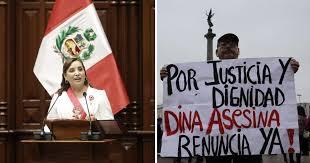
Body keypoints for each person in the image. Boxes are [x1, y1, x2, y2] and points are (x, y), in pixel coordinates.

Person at [160, 33, 300, 163]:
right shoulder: (202, 77)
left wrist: (287, 69)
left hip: (249, 143)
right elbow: (186, 98)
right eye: (223, 44)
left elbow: (272, 89)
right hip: (216, 144)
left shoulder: (254, 75)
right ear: (216, 52)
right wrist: (169, 79)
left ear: (238, 51)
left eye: (232, 45)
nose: (227, 47)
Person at [47, 58, 114, 120]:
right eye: (72, 70)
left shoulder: (99, 95)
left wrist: (96, 123)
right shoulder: (58, 98)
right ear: (65, 77)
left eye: (80, 69)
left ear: (85, 74)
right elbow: (49, 127)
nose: (77, 73)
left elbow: (109, 127)